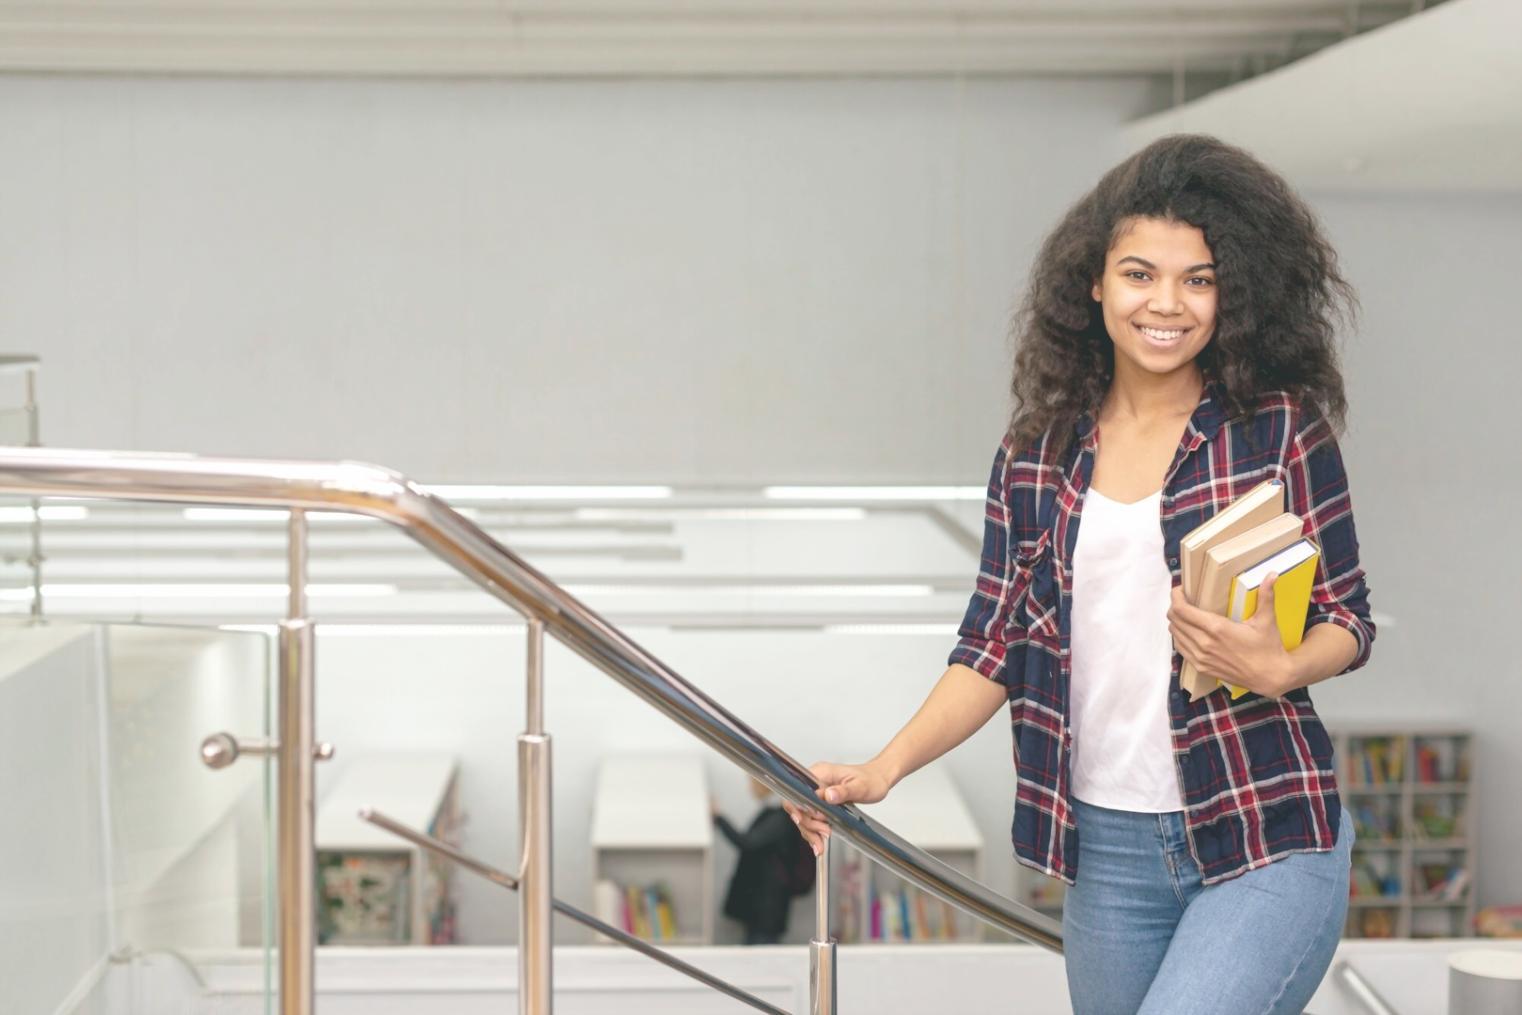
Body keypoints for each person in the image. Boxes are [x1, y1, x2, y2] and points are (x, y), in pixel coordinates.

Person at [784, 133, 1375, 1014]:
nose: (1166, 303)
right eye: (1139, 274)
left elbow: (1348, 618)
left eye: (1199, 279)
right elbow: (990, 647)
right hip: (1107, 854)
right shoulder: (1035, 454)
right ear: (1095, 283)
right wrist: (882, 769)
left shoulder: (1276, 430)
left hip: (1267, 828)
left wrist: (1281, 664)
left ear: (1232, 293)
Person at [713, 776, 808, 945]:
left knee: (761, 957)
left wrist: (719, 818)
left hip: (768, 908)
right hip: (763, 905)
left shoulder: (779, 817)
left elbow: (748, 842)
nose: (750, 787)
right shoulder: (773, 813)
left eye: (751, 781)